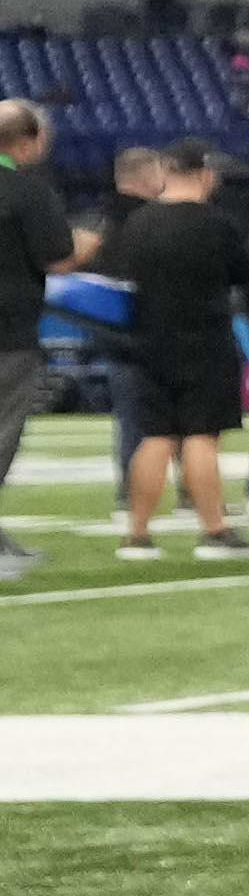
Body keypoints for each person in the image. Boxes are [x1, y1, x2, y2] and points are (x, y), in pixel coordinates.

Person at [102, 146, 249, 559]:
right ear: (205, 174)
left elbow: (118, 280)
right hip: (206, 340)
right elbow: (243, 277)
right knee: (201, 437)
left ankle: (137, 534)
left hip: (149, 341)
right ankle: (215, 531)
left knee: (155, 437)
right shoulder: (218, 224)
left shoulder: (137, 223)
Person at [0, 98, 56, 581]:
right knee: (2, 433)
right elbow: (56, 257)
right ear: (25, 142)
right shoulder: (27, 192)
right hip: (8, 332)